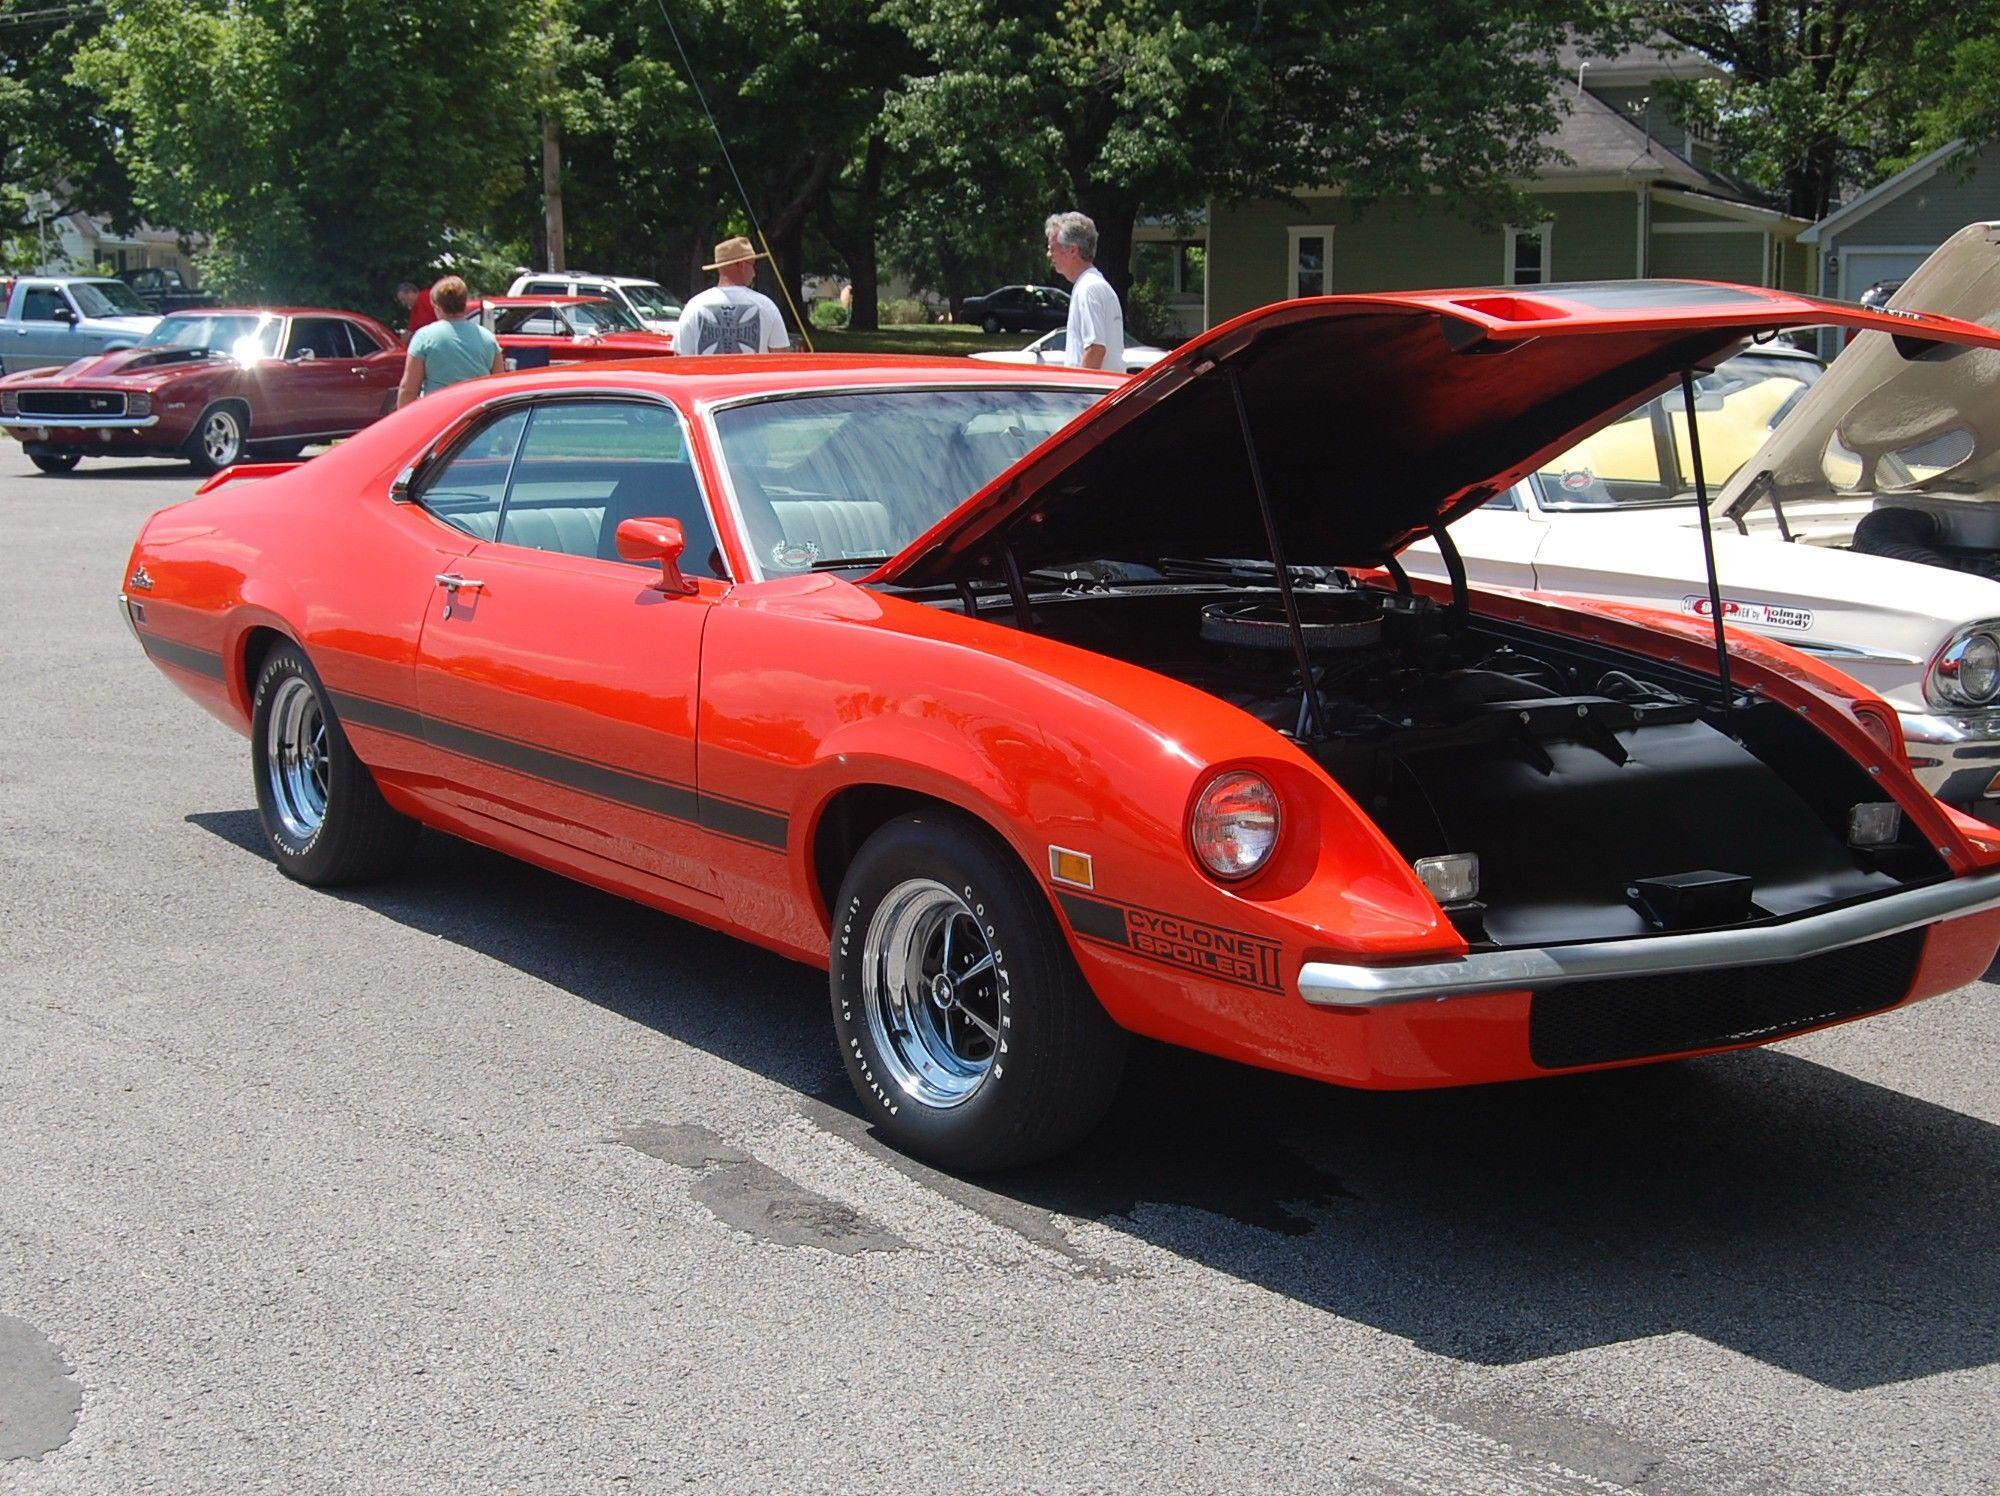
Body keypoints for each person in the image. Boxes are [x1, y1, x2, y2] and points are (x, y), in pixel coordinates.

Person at [673, 236, 791, 355]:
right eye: (753, 265)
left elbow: (679, 358)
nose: (754, 273)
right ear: (741, 265)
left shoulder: (694, 307)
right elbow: (781, 358)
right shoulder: (767, 306)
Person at [396, 276, 503, 408]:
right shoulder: (488, 338)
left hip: (439, 413)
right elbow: (499, 388)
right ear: (465, 303)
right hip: (476, 415)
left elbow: (408, 389)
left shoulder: (424, 337)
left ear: (436, 305)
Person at [1044, 211, 1124, 373]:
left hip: (1094, 390)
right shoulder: (1091, 285)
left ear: (1073, 251)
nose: (1049, 254)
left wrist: (1078, 389)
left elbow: (1095, 349)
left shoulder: (1089, 289)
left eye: (1052, 248)